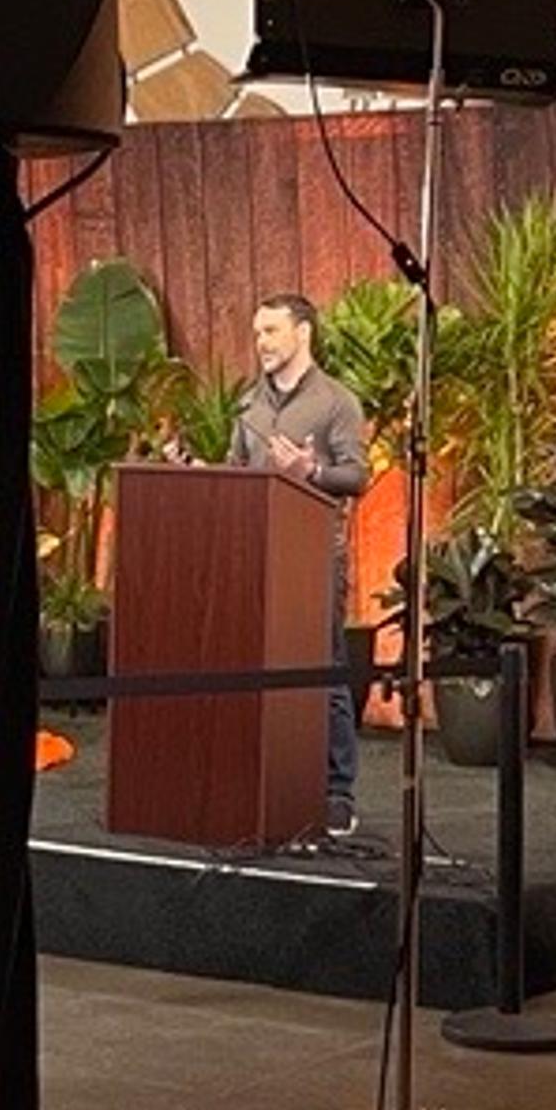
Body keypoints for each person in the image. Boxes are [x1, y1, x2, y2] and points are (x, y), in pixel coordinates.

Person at [230, 291, 371, 835]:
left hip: (314, 559)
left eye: (271, 331)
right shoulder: (249, 406)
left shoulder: (337, 402)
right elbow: (238, 474)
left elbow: (355, 477)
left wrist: (311, 472)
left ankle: (338, 793)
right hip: (259, 557)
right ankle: (270, 784)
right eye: (257, 332)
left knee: (326, 674)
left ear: (303, 333)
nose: (261, 342)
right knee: (258, 675)